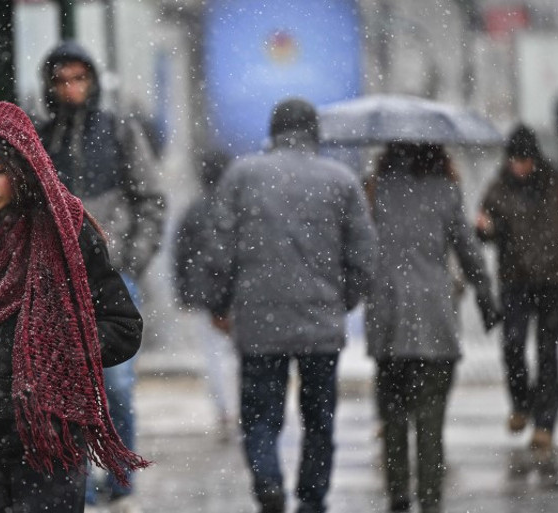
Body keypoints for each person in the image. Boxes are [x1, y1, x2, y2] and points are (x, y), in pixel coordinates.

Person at [0, 101, 149, 513]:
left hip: (48, 445)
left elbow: (122, 327)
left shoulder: (65, 231)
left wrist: (52, 353)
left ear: (22, 166)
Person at [203, 98, 377, 513]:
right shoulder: (341, 180)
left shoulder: (242, 175)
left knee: (260, 415)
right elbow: (364, 255)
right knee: (319, 419)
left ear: (274, 131)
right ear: (314, 132)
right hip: (320, 322)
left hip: (258, 321)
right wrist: (342, 300)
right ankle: (312, 499)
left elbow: (218, 248)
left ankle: (268, 481)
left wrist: (220, 303)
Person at [37, 41, 166, 512]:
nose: (71, 89)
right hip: (55, 282)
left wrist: (130, 259)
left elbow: (150, 199)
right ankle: (80, 482)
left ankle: (118, 472)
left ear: (92, 81)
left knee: (116, 384)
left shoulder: (118, 132)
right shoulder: (41, 138)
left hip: (112, 279)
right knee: (65, 385)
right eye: (62, 80)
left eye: (79, 79)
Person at [364, 142, 500, 513]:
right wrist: (485, 294)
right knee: (430, 419)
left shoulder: (375, 189)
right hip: (434, 321)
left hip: (388, 322)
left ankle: (398, 494)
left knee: (393, 417)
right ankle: (429, 498)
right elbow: (467, 249)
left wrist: (359, 290)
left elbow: (358, 250)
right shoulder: (445, 190)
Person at [476, 124, 558, 486]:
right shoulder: (498, 188)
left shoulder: (556, 184)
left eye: (524, 159)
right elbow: (486, 229)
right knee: (512, 344)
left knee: (547, 350)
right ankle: (521, 404)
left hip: (554, 281)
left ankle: (545, 424)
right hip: (515, 280)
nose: (519, 166)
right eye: (514, 159)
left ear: (534, 158)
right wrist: (484, 228)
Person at [173, 149, 236, 441]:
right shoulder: (236, 208)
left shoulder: (194, 210)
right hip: (236, 296)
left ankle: (224, 411)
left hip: (203, 296)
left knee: (214, 357)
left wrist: (184, 293)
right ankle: (237, 409)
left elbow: (180, 255)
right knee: (235, 356)